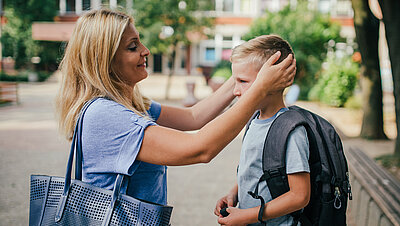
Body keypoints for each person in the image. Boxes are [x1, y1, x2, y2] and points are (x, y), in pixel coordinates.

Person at [55, 9, 296, 207]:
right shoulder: (105, 116)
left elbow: (194, 117)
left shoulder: (133, 106)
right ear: (104, 59)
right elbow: (200, 149)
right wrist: (259, 89)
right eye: (132, 46)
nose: (145, 50)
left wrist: (251, 70)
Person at [214, 35, 310, 226]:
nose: (235, 90)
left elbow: (300, 196)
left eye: (242, 81)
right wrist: (234, 193)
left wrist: (247, 215)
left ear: (273, 81)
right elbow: (257, 172)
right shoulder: (253, 121)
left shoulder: (290, 131)